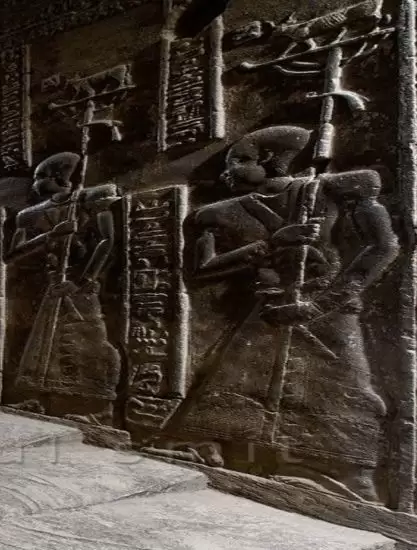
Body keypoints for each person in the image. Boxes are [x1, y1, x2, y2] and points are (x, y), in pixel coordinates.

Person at [151, 125, 398, 503]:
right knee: (232, 383)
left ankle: (345, 474)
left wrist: (321, 304)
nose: (226, 173)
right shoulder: (215, 214)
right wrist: (270, 245)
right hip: (268, 308)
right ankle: (215, 446)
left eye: (238, 161)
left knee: (341, 387)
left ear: (268, 160)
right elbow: (201, 271)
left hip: (325, 308)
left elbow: (383, 247)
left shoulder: (331, 191)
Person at [5, 152, 121, 422]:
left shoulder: (90, 199)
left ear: (58, 176)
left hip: (79, 284)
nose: (34, 184)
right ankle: (42, 398)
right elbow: (12, 255)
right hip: (54, 282)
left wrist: (83, 280)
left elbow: (107, 240)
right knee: (45, 341)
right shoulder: (29, 215)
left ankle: (97, 408)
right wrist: (51, 235)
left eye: (39, 177)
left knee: (87, 340)